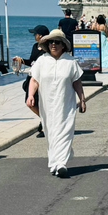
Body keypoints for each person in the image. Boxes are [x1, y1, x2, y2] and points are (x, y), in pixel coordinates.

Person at [26, 29, 86, 178]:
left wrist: (82, 99)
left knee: (65, 132)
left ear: (63, 45)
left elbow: (77, 82)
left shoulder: (70, 62)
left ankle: (61, 164)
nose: (54, 44)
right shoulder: (42, 60)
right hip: (47, 104)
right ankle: (54, 163)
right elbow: (34, 80)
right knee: (51, 133)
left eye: (57, 42)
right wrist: (30, 95)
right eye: (51, 42)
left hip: (66, 104)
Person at [12, 25, 49, 138]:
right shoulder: (34, 46)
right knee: (30, 102)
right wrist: (21, 60)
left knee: (41, 102)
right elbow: (32, 62)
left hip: (43, 79)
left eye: (35, 34)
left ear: (41, 36)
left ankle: (45, 125)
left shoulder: (48, 48)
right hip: (32, 77)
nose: (34, 36)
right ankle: (44, 119)